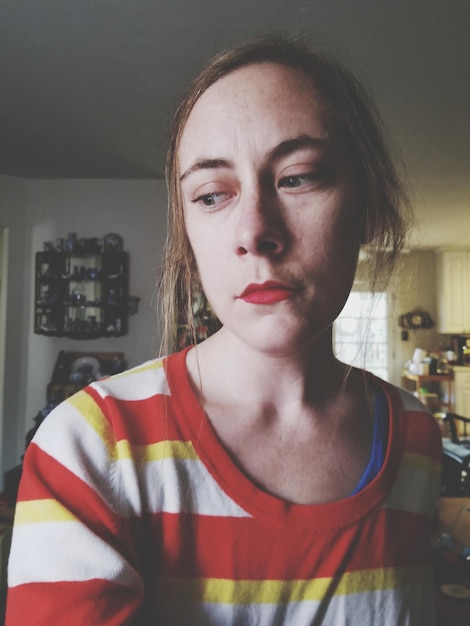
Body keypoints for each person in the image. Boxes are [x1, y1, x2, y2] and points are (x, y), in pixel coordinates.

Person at [6, 35, 442, 625]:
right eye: (212, 195)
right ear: (188, 232)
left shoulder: (416, 435)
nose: (255, 231)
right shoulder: (90, 448)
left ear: (366, 205)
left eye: (298, 177)